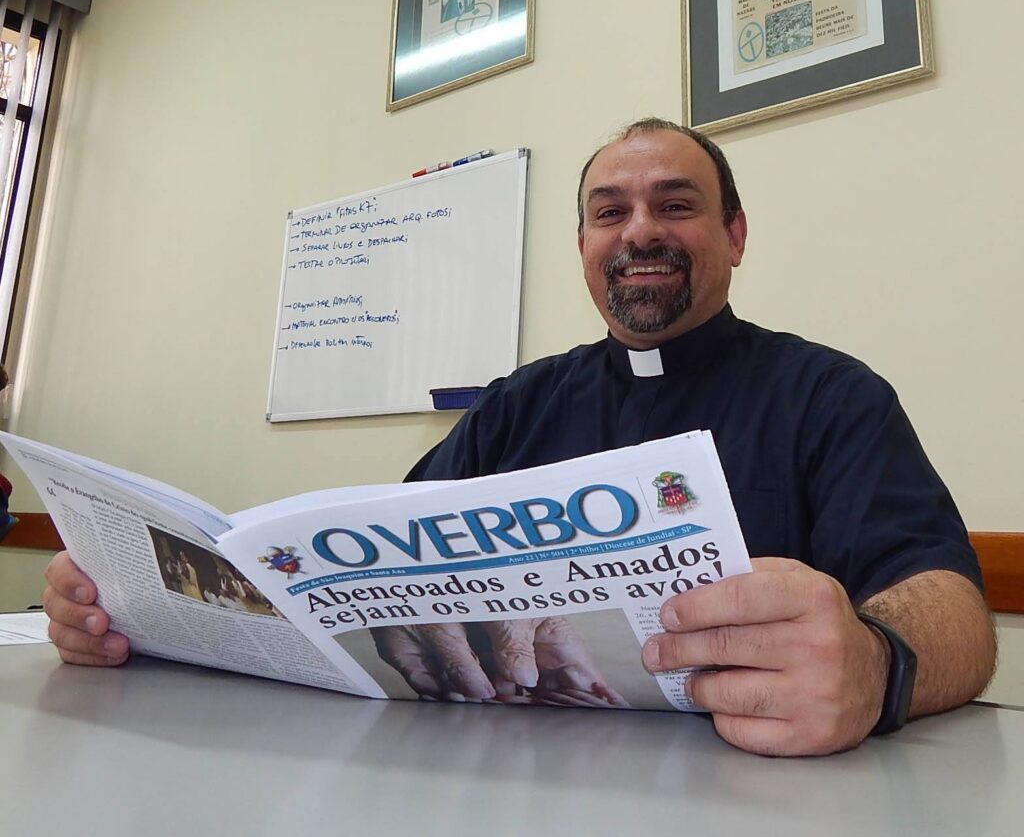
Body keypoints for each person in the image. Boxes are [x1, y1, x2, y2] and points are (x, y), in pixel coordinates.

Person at [41, 118, 995, 756]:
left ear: (735, 233)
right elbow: (360, 577)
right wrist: (130, 610)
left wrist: (878, 666)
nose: (639, 232)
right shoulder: (517, 405)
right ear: (583, 244)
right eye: (608, 211)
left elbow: (954, 610)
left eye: (676, 204)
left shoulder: (832, 395)